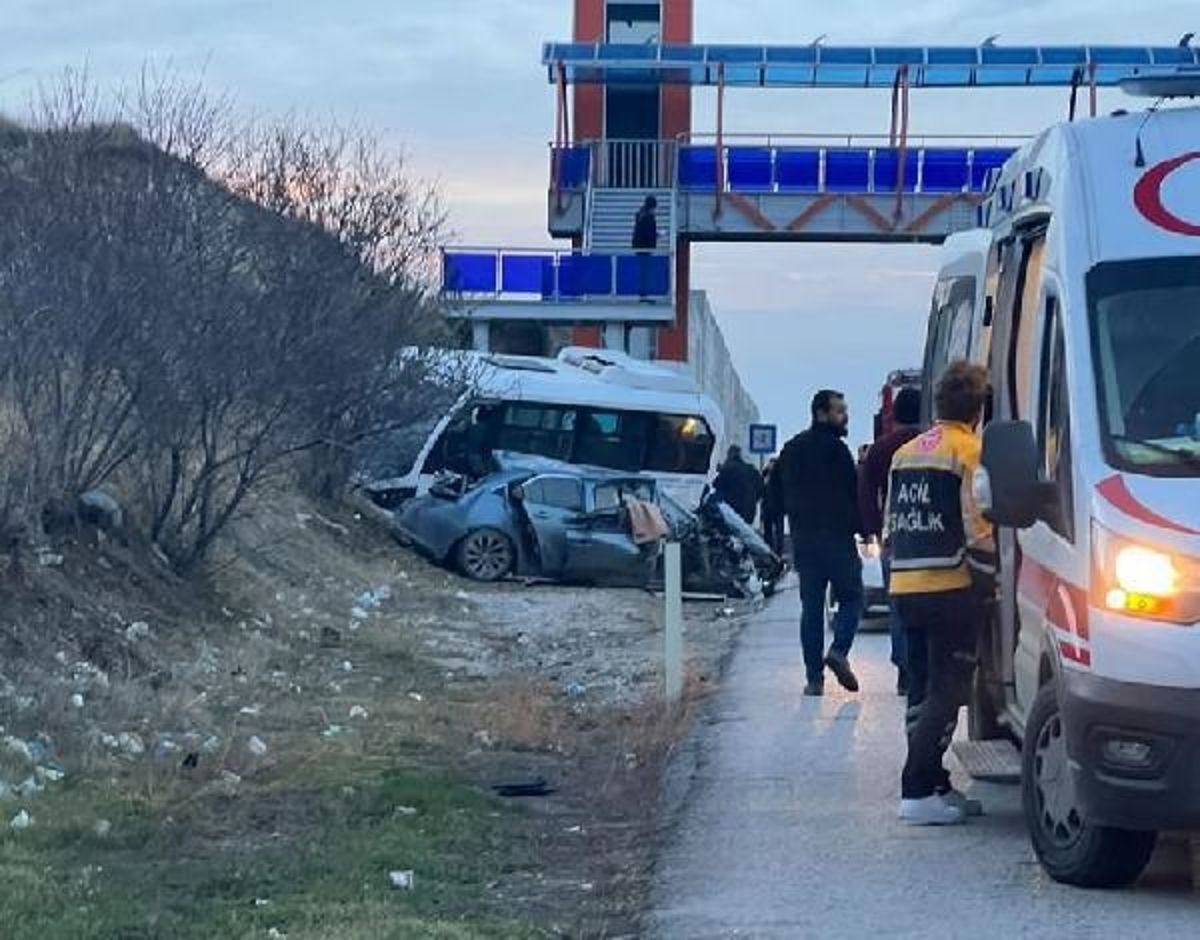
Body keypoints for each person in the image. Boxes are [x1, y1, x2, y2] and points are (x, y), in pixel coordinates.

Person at [887, 362, 996, 826]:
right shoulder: (969, 452)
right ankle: (916, 790)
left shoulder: (907, 453)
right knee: (947, 691)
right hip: (949, 588)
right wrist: (992, 577)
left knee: (921, 689)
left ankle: (936, 784)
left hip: (904, 586)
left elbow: (893, 520)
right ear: (979, 408)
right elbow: (977, 527)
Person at [776, 390, 864, 696]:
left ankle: (814, 679)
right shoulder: (839, 452)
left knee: (811, 608)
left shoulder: (792, 449)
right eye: (839, 411)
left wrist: (779, 541)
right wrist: (863, 529)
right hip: (838, 540)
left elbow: (774, 497)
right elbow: (855, 495)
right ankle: (839, 650)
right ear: (821, 413)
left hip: (805, 542)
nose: (845, 416)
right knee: (852, 598)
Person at [857, 386, 922, 696]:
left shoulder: (881, 449)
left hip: (893, 536)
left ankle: (903, 668)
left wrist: (870, 530)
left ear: (893, 415)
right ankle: (923, 665)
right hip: (929, 534)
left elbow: (867, 493)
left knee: (898, 604)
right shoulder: (928, 445)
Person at [712, 445, 764, 526]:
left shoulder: (727, 469)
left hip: (732, 511)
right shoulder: (752, 470)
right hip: (749, 509)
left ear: (729, 455)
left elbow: (716, 485)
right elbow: (761, 489)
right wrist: (752, 500)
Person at [631, 196, 658, 302]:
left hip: (638, 247)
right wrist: (657, 235)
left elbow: (641, 232)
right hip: (646, 248)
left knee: (642, 272)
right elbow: (649, 234)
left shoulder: (640, 215)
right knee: (646, 273)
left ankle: (642, 294)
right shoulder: (649, 217)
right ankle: (643, 295)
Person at [761, 458, 785, 556]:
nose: (771, 466)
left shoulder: (780, 477)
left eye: (772, 464)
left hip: (777, 507)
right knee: (769, 529)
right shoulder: (766, 475)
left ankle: (778, 550)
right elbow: (761, 483)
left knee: (778, 529)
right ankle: (769, 549)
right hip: (768, 507)